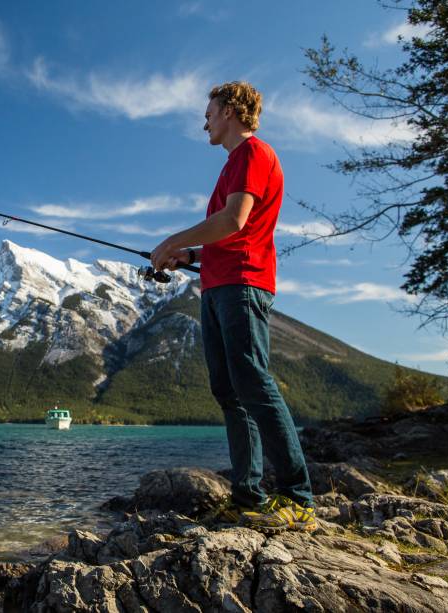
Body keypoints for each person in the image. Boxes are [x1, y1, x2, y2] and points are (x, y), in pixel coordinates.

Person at [149, 81, 316, 533]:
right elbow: (229, 236)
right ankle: (248, 497)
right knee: (229, 391)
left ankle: (298, 497)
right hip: (218, 284)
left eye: (209, 111)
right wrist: (190, 257)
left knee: (253, 383)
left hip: (243, 286)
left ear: (229, 110)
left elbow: (233, 221)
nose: (204, 119)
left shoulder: (252, 154)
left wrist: (171, 241)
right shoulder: (232, 165)